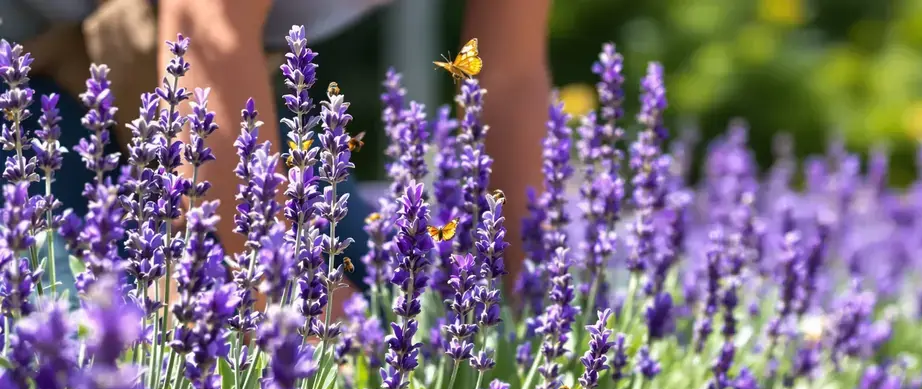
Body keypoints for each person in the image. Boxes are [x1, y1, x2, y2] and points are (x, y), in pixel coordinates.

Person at [1, 0, 550, 306]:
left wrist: (531, 315)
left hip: (198, 88)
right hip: (29, 92)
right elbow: (207, 32)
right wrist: (301, 313)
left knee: (409, 316)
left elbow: (508, 79)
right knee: (89, 365)